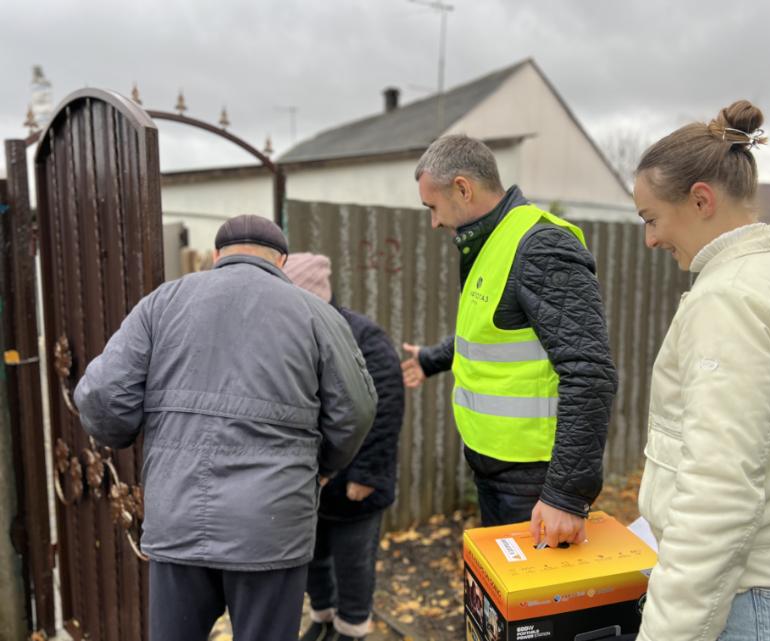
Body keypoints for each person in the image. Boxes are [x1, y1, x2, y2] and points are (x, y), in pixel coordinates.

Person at [73, 215, 378, 641]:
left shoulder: (162, 303)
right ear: (282, 260)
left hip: (176, 517)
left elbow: (102, 396)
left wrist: (134, 437)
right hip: (272, 527)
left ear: (217, 255)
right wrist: (321, 466)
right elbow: (357, 411)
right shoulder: (317, 315)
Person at [632, 100, 770, 641]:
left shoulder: (728, 300)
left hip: (753, 606)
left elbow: (719, 492)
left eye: (651, 218)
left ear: (701, 199)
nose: (650, 239)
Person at [401, 135, 618, 547]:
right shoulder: (490, 242)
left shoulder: (540, 246)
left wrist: (566, 495)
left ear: (463, 188)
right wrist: (432, 359)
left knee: (539, 609)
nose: (433, 222)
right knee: (504, 601)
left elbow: (589, 371)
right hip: (493, 468)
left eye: (432, 207)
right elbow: (492, 331)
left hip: (535, 481)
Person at [283, 253, 404, 641]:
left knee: (354, 562)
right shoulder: (287, 337)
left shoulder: (363, 338)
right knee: (313, 558)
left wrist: (367, 474)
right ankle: (323, 618)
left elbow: (384, 407)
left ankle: (351, 629)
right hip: (309, 482)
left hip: (354, 484)